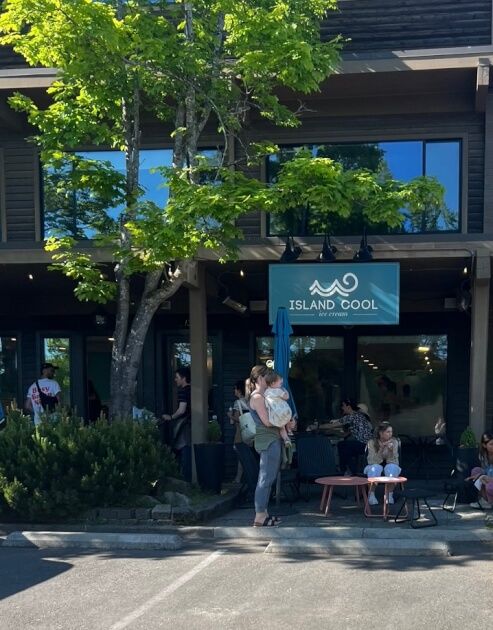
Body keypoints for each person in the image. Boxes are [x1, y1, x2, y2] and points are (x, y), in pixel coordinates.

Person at [248, 364, 296, 527]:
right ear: (260, 378)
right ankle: (260, 515)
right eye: (267, 376)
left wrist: (286, 421)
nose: (270, 379)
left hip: (272, 438)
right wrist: (285, 422)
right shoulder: (257, 397)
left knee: (268, 477)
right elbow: (268, 422)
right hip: (268, 439)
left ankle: (264, 513)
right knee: (265, 478)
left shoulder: (265, 396)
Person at [308, 398, 373, 475]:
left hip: (363, 445)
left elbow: (330, 426)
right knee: (344, 448)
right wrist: (334, 432)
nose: (342, 408)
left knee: (341, 445)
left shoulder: (350, 417)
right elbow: (345, 434)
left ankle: (349, 471)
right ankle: (349, 471)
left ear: (348, 406)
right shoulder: (360, 417)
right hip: (368, 445)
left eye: (343, 406)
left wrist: (317, 426)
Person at [161, 367, 192, 483]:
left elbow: (181, 410)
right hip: (191, 423)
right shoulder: (192, 390)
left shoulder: (183, 391)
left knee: (183, 450)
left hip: (185, 424)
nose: (175, 380)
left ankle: (185, 480)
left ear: (184, 378)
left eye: (177, 377)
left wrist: (171, 417)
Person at [364, 421, 401, 505]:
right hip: (374, 465)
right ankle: (371, 494)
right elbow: (371, 461)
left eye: (391, 431)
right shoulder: (372, 442)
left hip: (389, 465)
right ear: (381, 433)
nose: (391, 434)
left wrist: (390, 452)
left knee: (392, 467)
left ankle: (389, 494)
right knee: (375, 467)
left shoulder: (394, 442)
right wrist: (380, 450)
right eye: (388, 432)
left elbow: (394, 462)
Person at [227, 379, 249, 483]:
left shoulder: (238, 403)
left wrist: (229, 415)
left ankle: (238, 478)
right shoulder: (250, 401)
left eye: (235, 389)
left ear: (239, 390)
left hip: (241, 430)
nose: (234, 391)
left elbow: (238, 419)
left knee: (240, 453)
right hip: (251, 431)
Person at [264, 370, 293, 446]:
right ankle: (289, 430)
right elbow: (286, 397)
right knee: (287, 419)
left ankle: (286, 439)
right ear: (273, 383)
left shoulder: (266, 392)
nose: (281, 385)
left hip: (275, 414)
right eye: (280, 383)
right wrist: (285, 391)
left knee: (281, 428)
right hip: (283, 411)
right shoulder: (278, 391)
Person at [468, 430, 493, 510]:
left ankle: (489, 501)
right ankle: (484, 500)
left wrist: (488, 478)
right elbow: (485, 469)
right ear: (484, 445)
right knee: (475, 471)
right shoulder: (483, 455)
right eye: (492, 444)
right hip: (489, 475)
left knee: (489, 486)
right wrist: (480, 474)